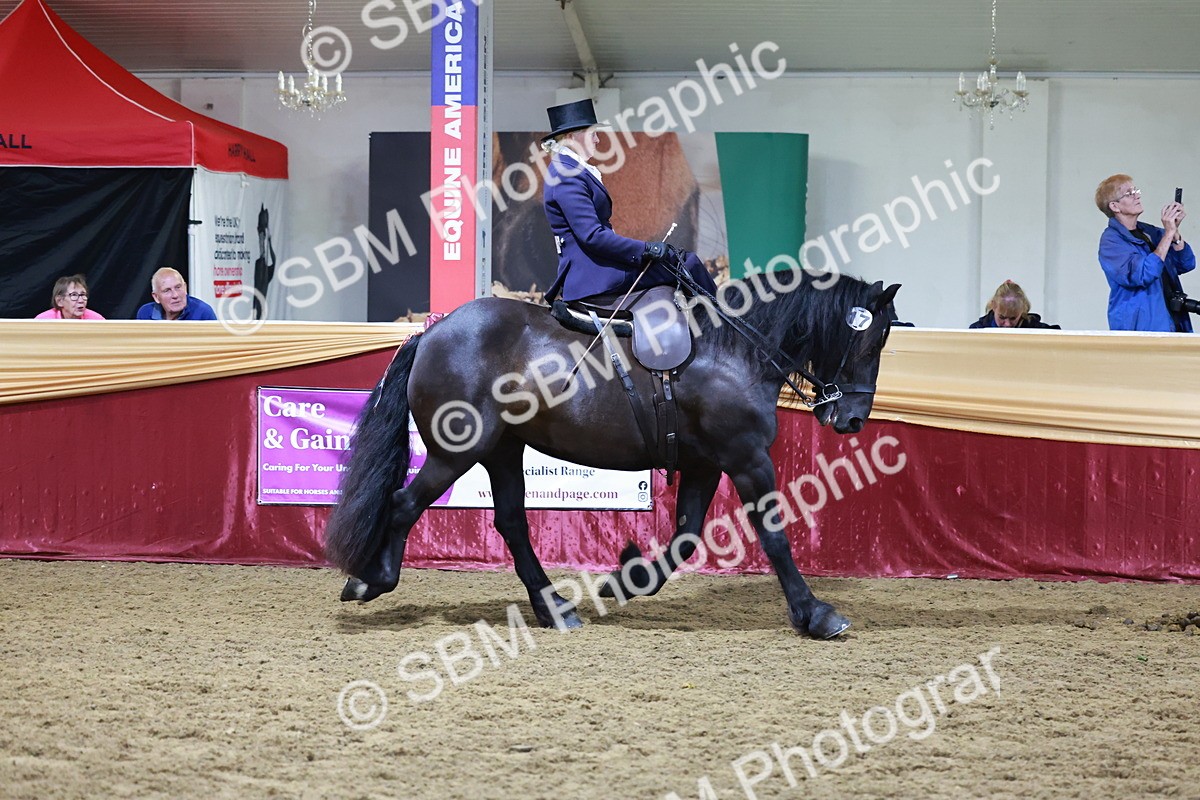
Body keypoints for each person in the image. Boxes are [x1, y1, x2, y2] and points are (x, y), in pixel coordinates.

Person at [540, 98, 718, 302]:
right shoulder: (566, 175)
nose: (598, 140)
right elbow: (592, 236)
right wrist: (647, 249)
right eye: (593, 134)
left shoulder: (569, 169)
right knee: (688, 264)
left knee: (677, 260)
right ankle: (723, 319)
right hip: (596, 275)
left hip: (600, 267)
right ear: (571, 137)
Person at [1095, 174, 1194, 332]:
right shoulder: (1111, 242)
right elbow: (1142, 274)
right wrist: (1168, 233)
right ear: (1114, 206)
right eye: (1129, 193)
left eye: (1136, 191)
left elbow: (1186, 263)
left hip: (1172, 322)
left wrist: (1175, 233)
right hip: (1142, 327)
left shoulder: (1149, 232)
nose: (1137, 196)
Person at [969, 280, 1059, 329]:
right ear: (994, 306)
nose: (1007, 324)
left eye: (1013, 318)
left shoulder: (1034, 329)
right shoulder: (978, 329)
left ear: (1022, 309)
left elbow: (1058, 337)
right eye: (1002, 317)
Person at [136, 267, 217, 321]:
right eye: (167, 290)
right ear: (156, 297)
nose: (175, 295)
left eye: (178, 287)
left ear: (185, 288)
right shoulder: (145, 313)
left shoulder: (203, 312)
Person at [35, 274, 105, 320]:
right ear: (59, 301)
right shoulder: (43, 321)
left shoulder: (97, 320)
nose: (81, 300)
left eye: (83, 295)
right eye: (74, 295)